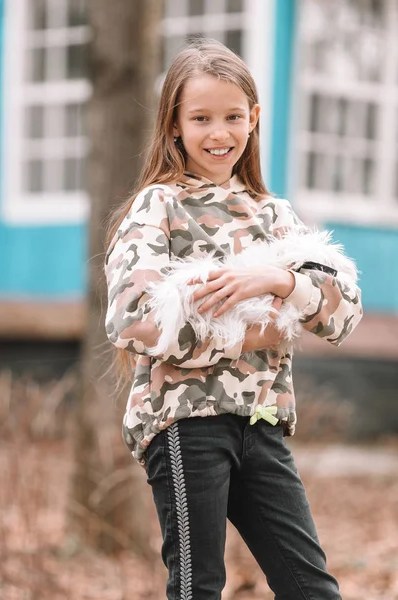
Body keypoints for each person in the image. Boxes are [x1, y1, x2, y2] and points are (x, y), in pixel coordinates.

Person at [105, 39, 362, 600]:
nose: (218, 133)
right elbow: (130, 320)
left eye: (232, 117)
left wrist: (279, 282)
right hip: (185, 420)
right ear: (174, 125)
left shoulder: (275, 214)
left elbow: (342, 317)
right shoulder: (160, 206)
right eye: (200, 119)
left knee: (311, 587)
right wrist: (254, 332)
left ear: (254, 119)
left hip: (262, 422)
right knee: (200, 587)